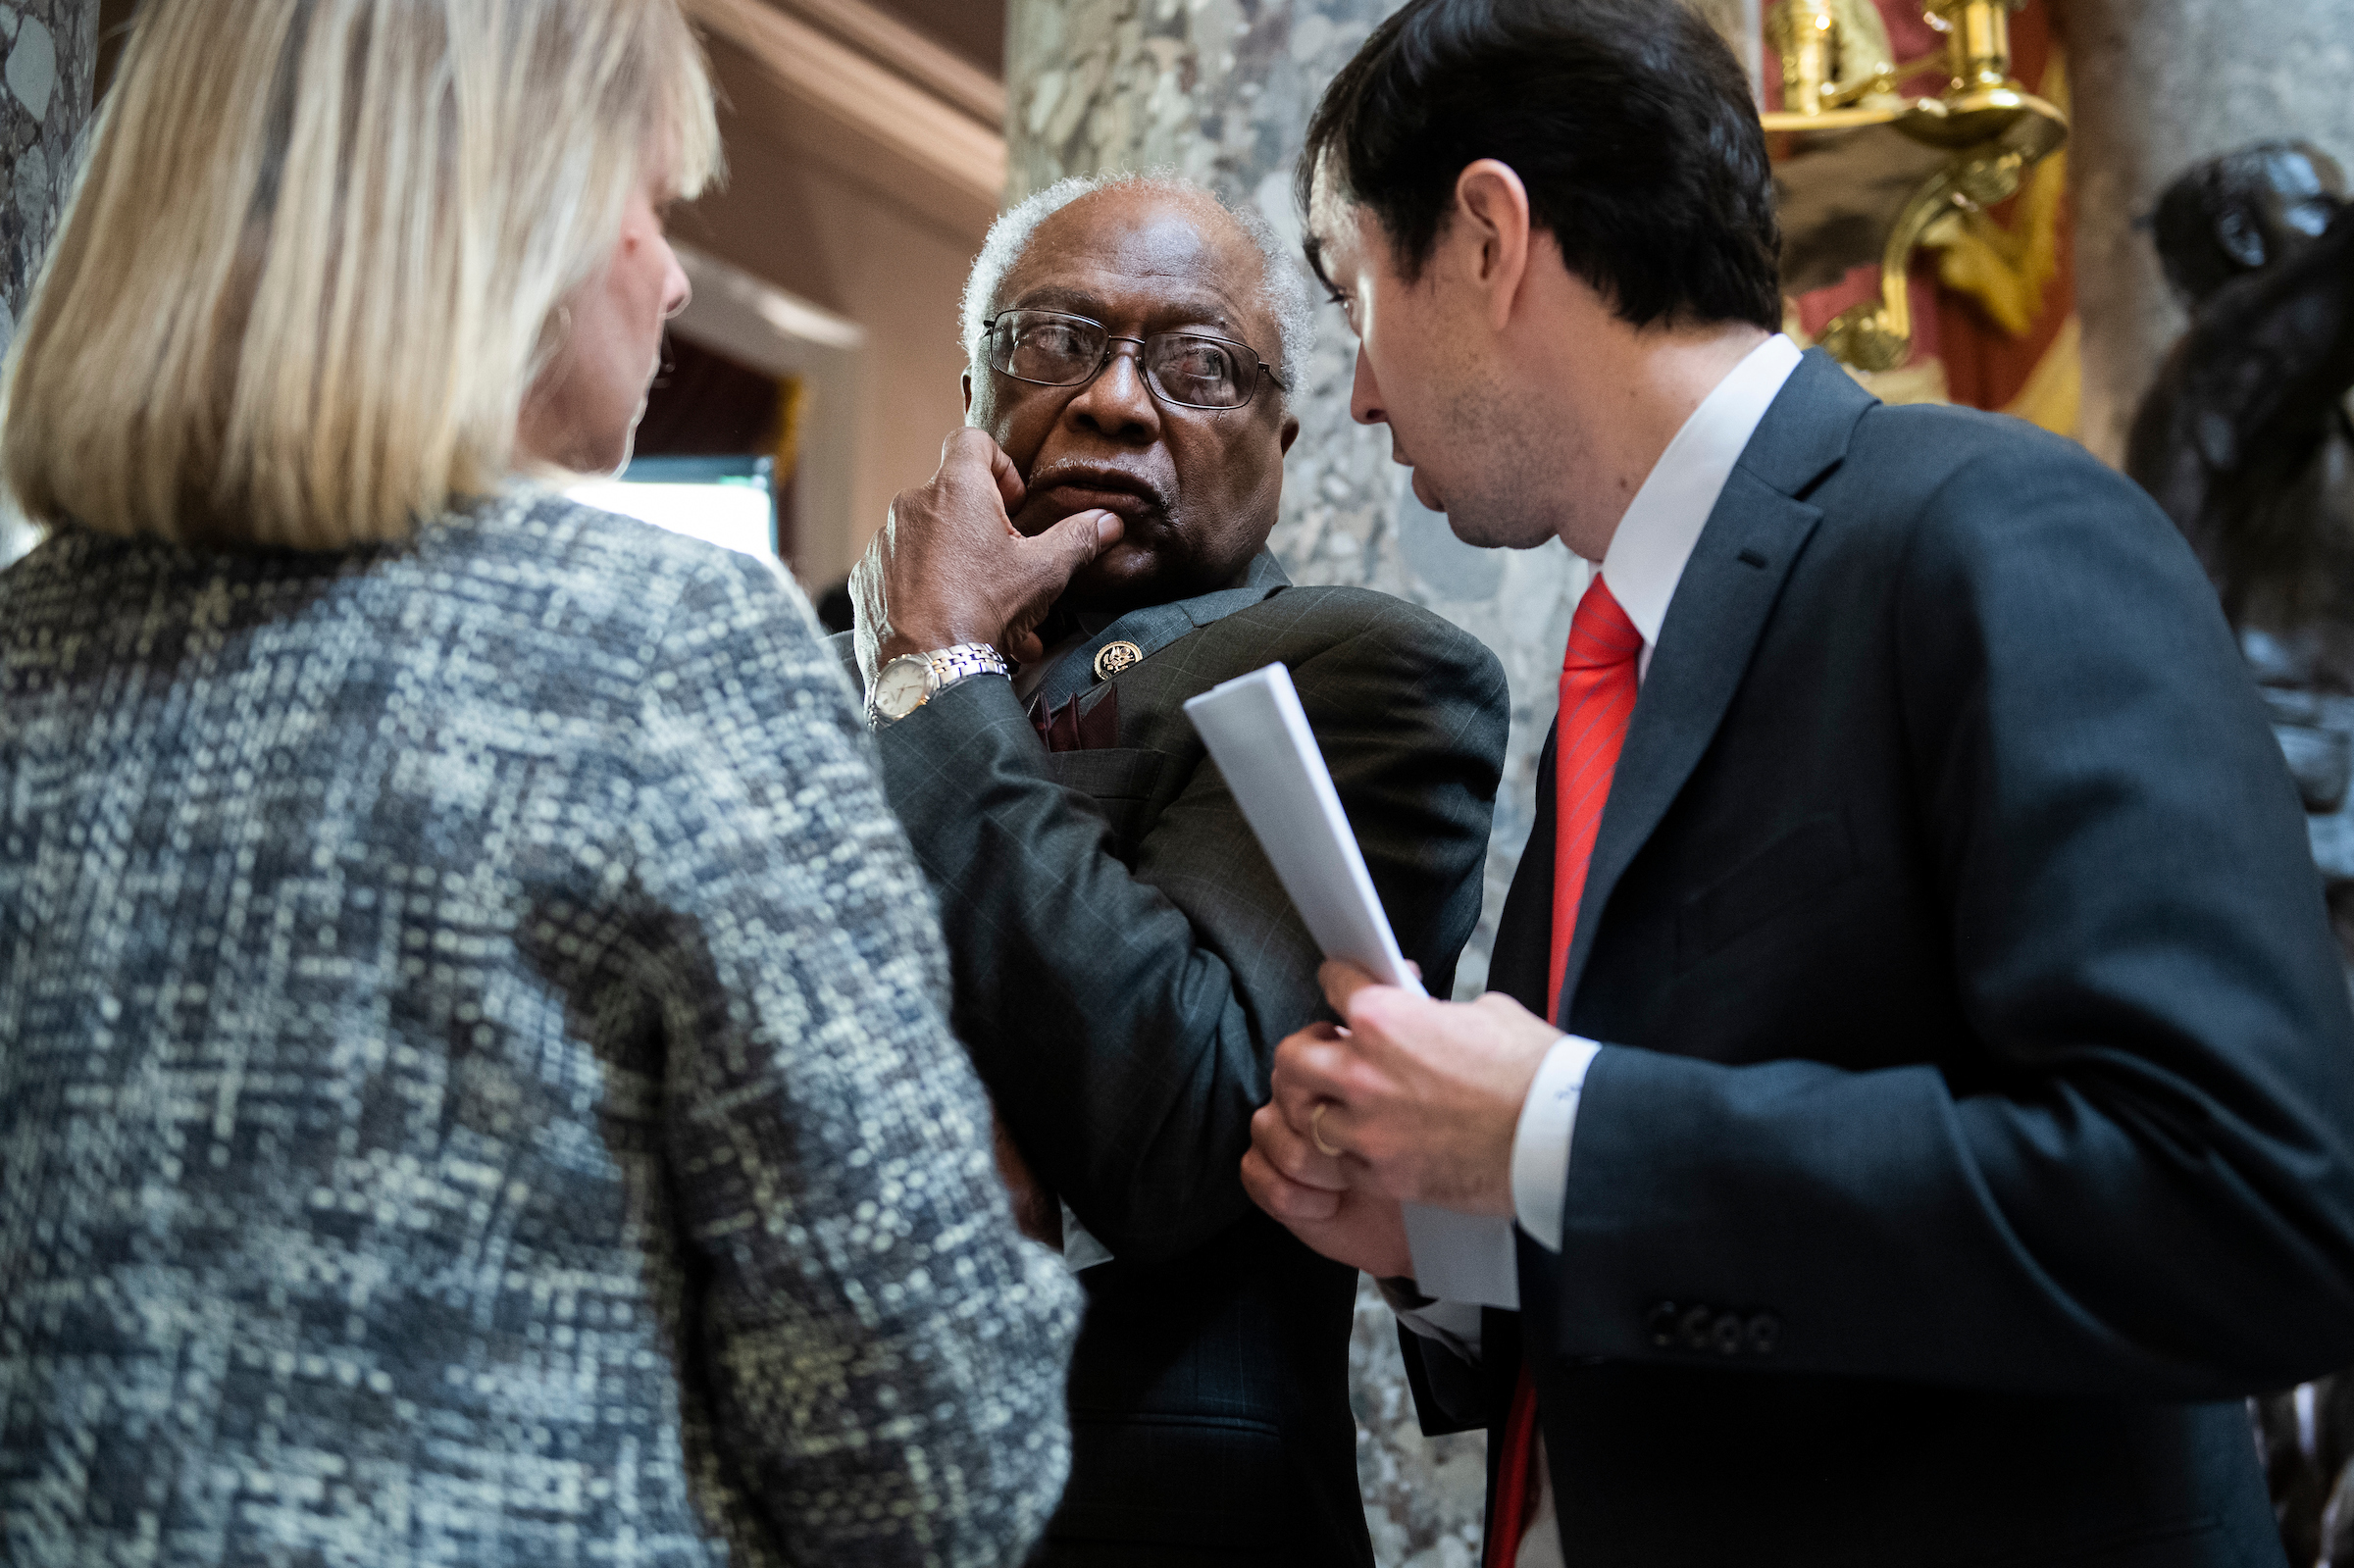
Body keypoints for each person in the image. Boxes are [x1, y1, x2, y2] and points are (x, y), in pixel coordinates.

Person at [1237, 3, 2354, 1566]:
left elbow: (2232, 1201)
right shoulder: (1625, 654)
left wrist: (1552, 1132)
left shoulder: (1998, 526)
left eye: (1355, 292)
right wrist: (1462, 1227)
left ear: (1488, 237)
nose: (1356, 392)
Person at [0, 3, 1079, 1564]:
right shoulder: (660, 649)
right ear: (504, 220)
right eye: (645, 204)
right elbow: (926, 1457)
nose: (672, 272)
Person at [839, 173, 1508, 1565]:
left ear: (1284, 437)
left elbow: (1176, 1122)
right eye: (1055, 343)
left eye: (1199, 365)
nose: (1119, 404)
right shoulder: (818, 688)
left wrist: (941, 674)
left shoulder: (1366, 669)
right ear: (972, 394)